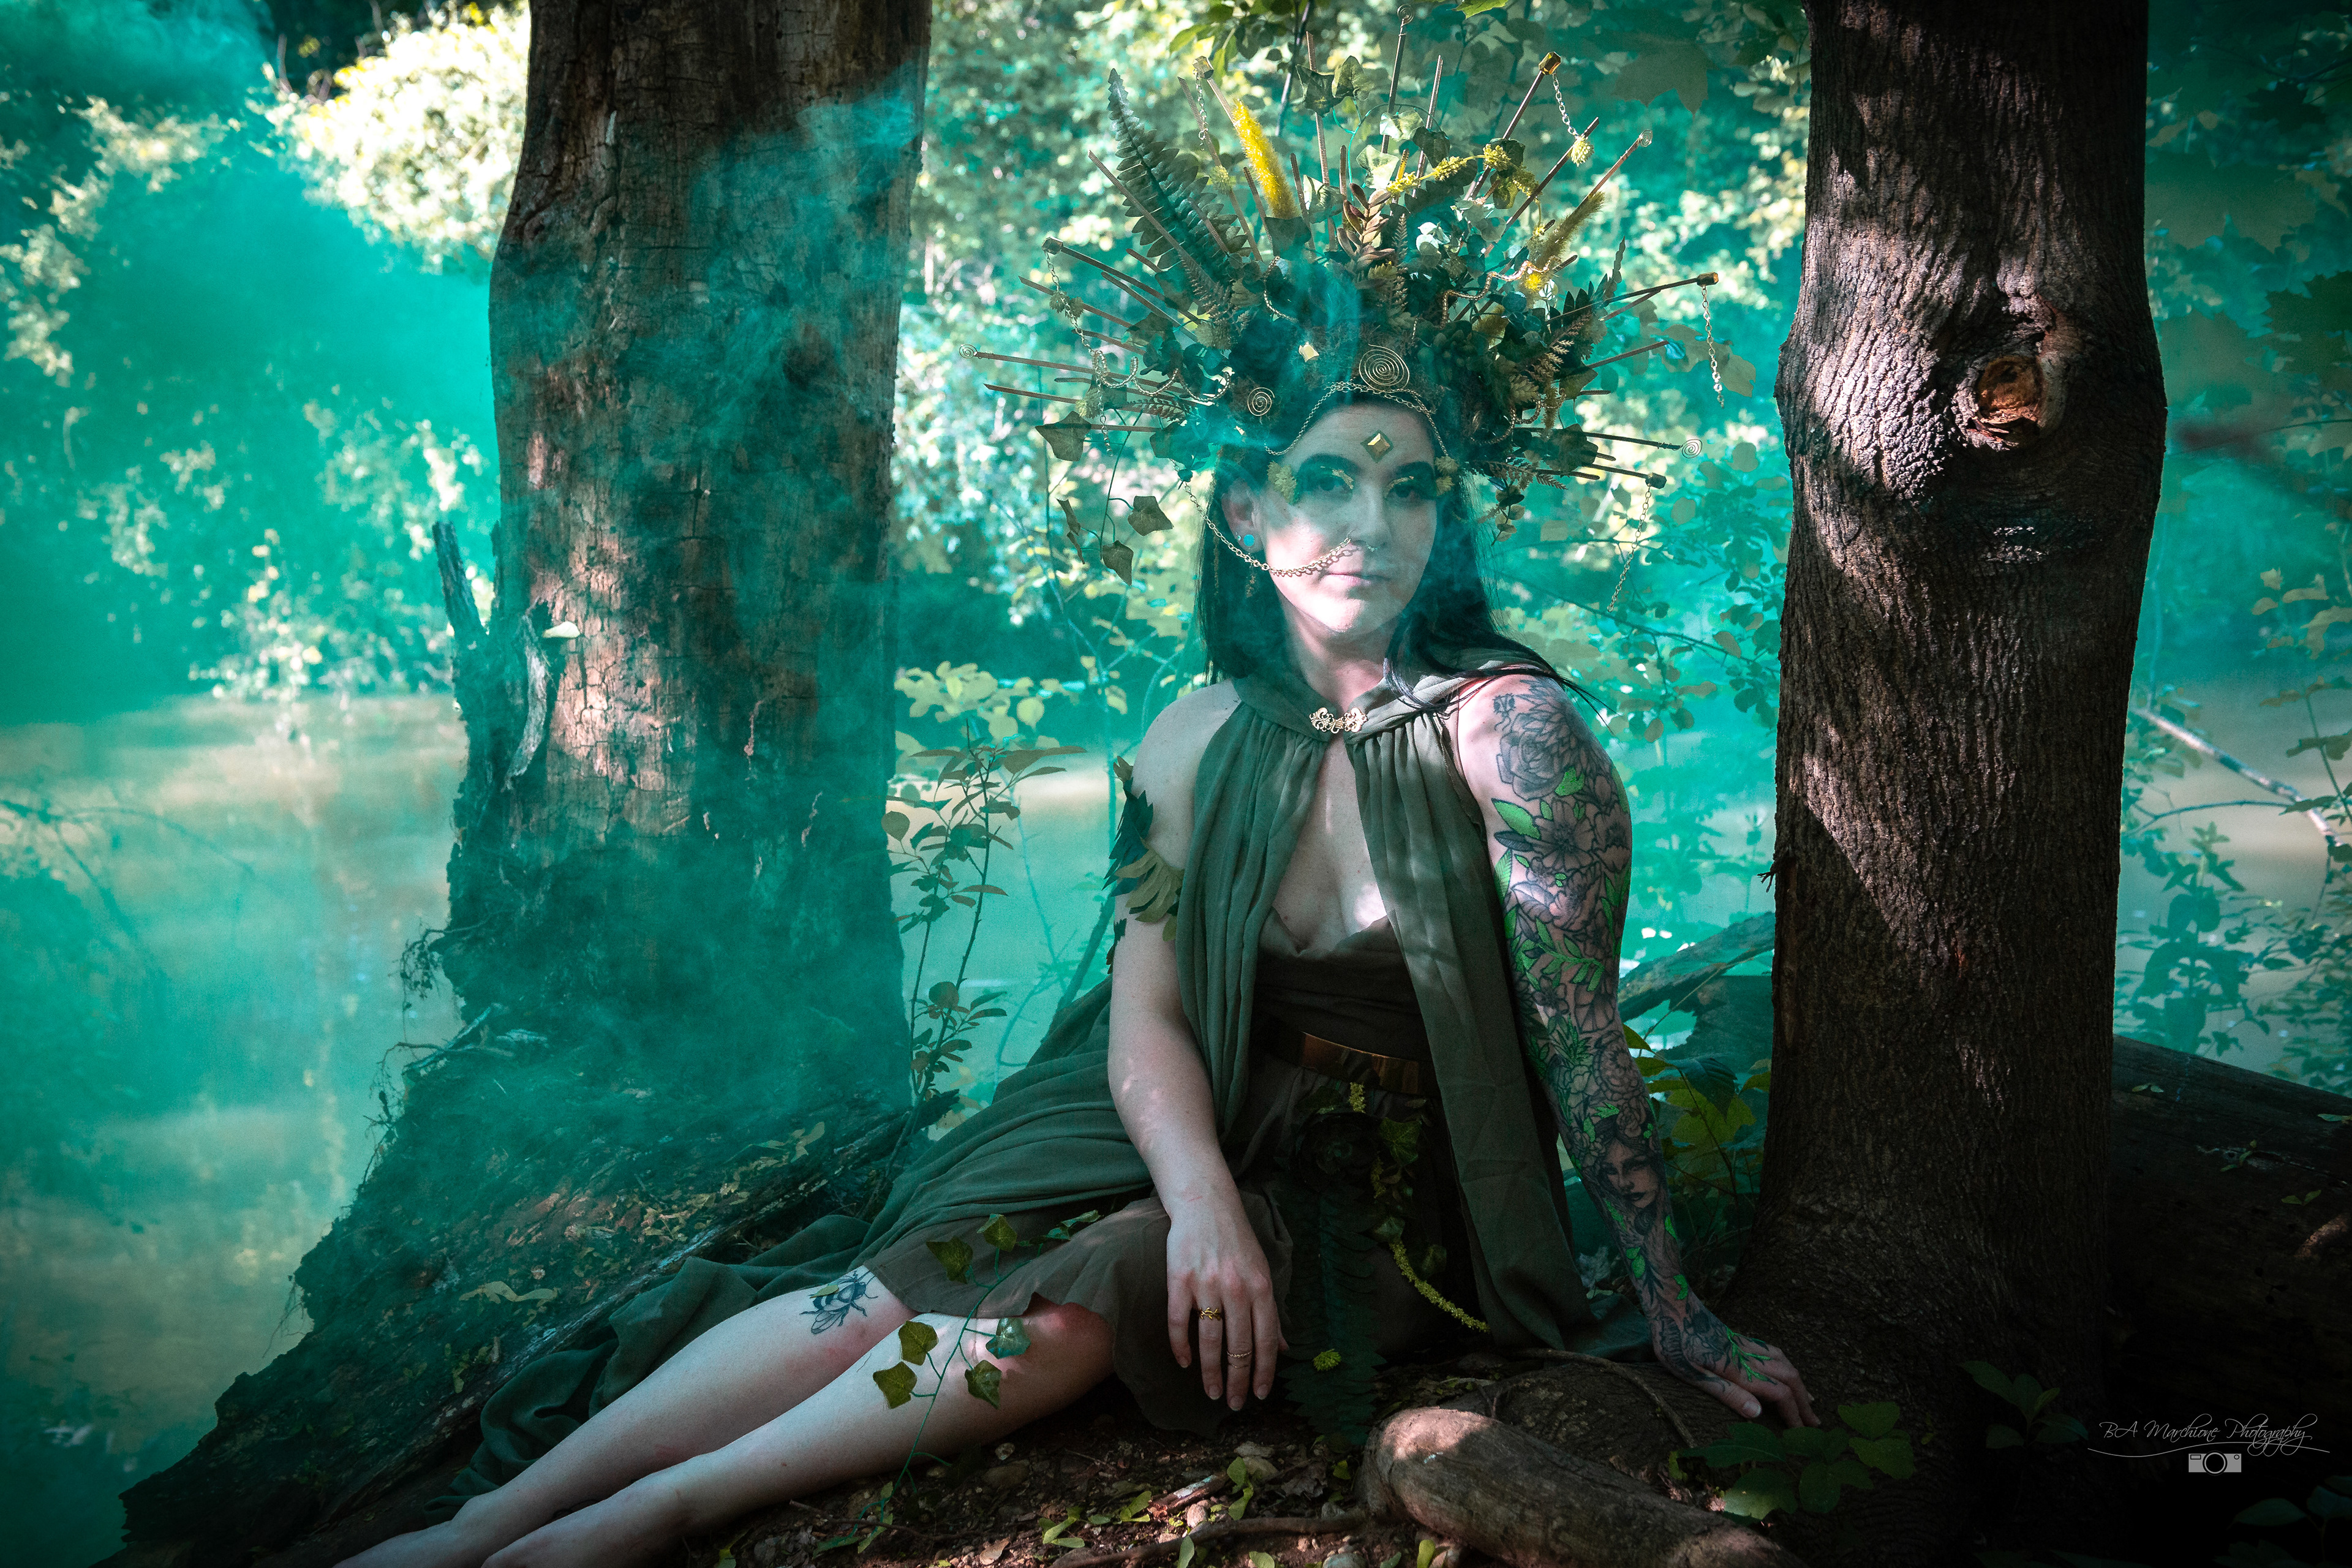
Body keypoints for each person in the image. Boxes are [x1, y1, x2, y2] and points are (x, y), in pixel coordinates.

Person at [342, 72, 1814, 1568]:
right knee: (893, 1283)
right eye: (1326, 483)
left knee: (1101, 1283)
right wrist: (1200, 1191)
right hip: (1165, 1105)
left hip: (1374, 1175)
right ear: (1246, 514)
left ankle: (663, 1509)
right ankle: (490, 1521)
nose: (1371, 526)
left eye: (1411, 489)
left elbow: (1579, 1041)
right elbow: (1146, 1012)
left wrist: (1677, 1306)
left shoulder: (1514, 735)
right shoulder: (1191, 735)